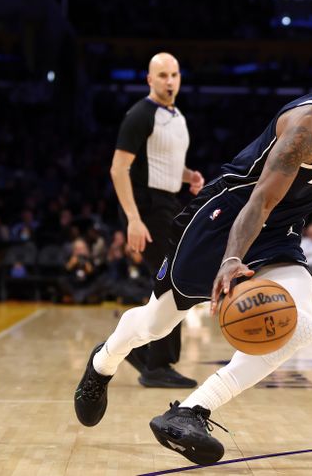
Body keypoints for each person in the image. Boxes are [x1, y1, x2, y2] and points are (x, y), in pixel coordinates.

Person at [74, 51, 312, 465]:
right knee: (156, 323)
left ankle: (191, 412)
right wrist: (230, 260)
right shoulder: (310, 128)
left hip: (279, 232)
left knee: (302, 325)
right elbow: (260, 201)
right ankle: (103, 362)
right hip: (225, 220)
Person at [110, 52, 204, 388]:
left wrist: (188, 175)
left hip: (168, 202)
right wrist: (133, 219)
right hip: (146, 207)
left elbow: (162, 163)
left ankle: (142, 353)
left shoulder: (175, 115)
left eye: (174, 75)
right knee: (174, 279)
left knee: (172, 279)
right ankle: (156, 363)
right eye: (162, 75)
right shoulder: (140, 114)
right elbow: (119, 168)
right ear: (149, 80)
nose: (169, 81)